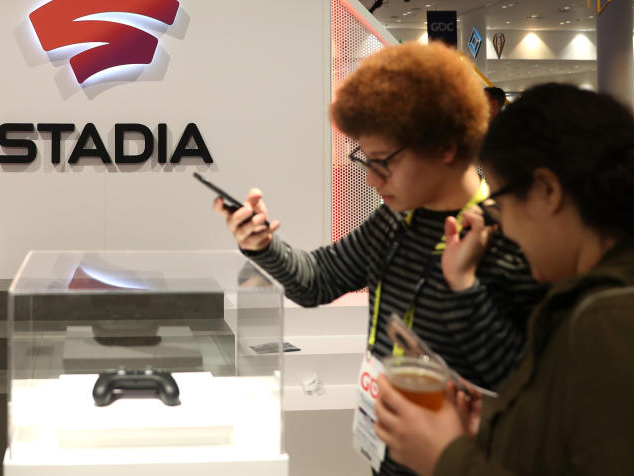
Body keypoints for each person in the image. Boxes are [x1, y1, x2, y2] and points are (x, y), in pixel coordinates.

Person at [212, 41, 546, 476]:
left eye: (384, 162)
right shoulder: (392, 221)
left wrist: (463, 288)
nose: (371, 179)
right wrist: (262, 245)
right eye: (364, 160)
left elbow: (523, 381)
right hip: (387, 452)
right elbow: (317, 280)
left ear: (445, 147)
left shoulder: (510, 238)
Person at [373, 83, 634, 476]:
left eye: (501, 205)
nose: (504, 229)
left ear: (547, 190)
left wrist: (447, 457)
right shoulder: (632, 294)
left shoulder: (620, 322)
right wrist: (497, 426)